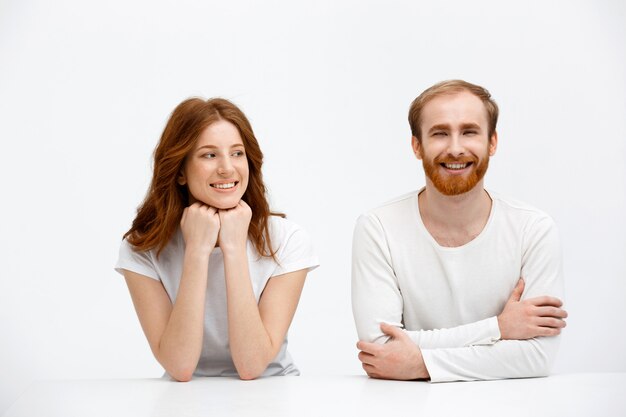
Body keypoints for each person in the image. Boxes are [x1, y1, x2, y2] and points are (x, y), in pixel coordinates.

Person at [352, 80, 567, 382]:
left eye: (469, 132)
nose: (455, 148)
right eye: (440, 133)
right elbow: (381, 349)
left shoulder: (533, 229)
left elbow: (537, 357)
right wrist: (499, 329)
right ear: (417, 145)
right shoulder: (378, 228)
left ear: (492, 142)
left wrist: (421, 364)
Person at [116, 98, 318, 381]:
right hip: (183, 398)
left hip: (270, 391)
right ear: (180, 171)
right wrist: (197, 251)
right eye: (209, 155)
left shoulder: (287, 240)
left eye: (237, 153)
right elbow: (180, 367)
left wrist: (233, 247)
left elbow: (251, 366)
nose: (227, 168)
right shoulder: (142, 248)